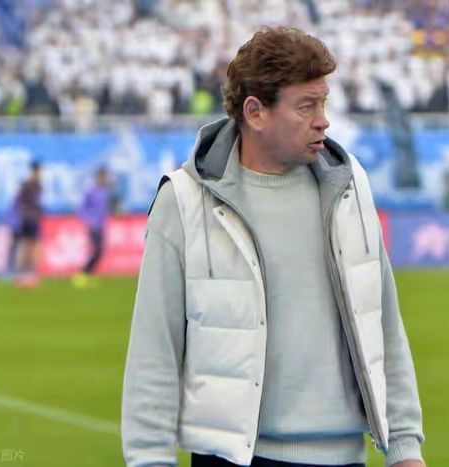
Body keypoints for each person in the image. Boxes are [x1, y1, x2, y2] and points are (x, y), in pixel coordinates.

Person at [122, 27, 425, 467]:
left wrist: (404, 448)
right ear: (256, 112)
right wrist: (150, 459)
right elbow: (154, 351)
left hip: (345, 457)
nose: (323, 120)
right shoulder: (185, 200)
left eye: (323, 103)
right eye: (305, 106)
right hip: (232, 459)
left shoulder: (350, 186)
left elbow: (384, 325)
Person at [73, 167, 112, 288]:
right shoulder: (90, 192)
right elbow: (83, 208)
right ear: (99, 177)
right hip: (93, 225)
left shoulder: (105, 192)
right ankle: (83, 273)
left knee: (99, 251)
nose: (106, 179)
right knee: (97, 250)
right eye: (104, 177)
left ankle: (87, 275)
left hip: (101, 225)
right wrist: (89, 221)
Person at [12, 161, 42, 287]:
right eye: (36, 171)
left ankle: (30, 276)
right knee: (26, 247)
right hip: (27, 219)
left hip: (33, 219)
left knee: (33, 247)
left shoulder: (38, 185)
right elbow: (19, 201)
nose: (38, 174)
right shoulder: (28, 185)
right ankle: (22, 275)